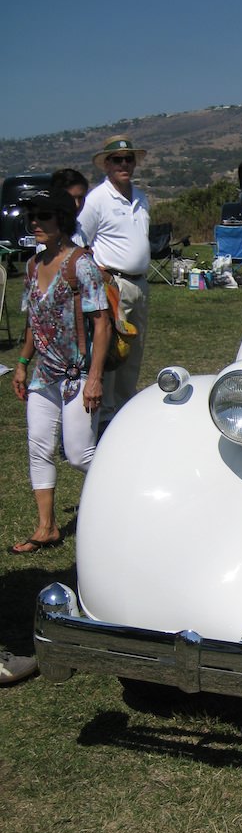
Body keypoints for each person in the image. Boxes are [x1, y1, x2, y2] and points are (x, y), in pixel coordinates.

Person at [9, 189, 111, 554]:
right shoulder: (33, 266)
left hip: (78, 374)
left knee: (80, 453)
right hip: (44, 375)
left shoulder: (80, 264)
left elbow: (102, 323)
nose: (36, 223)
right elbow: (33, 322)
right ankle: (46, 527)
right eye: (32, 217)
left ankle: (124, 491)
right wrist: (22, 363)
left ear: (63, 221)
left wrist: (95, 377)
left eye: (45, 216)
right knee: (38, 447)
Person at [77, 136, 150, 425]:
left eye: (128, 159)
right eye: (117, 160)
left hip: (140, 284)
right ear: (106, 164)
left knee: (134, 349)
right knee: (110, 351)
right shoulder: (97, 199)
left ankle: (124, 410)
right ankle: (104, 417)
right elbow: (79, 241)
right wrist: (100, 273)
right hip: (113, 284)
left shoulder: (141, 197)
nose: (124, 165)